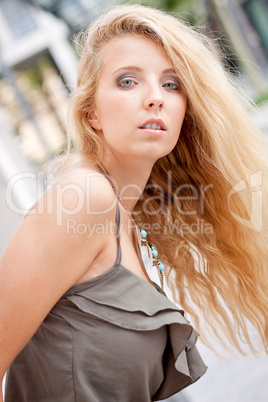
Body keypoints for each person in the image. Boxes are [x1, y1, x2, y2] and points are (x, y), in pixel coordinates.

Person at [1, 3, 268, 401]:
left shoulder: (135, 215)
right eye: (128, 81)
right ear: (92, 113)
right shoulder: (85, 200)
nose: (155, 98)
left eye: (172, 84)